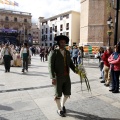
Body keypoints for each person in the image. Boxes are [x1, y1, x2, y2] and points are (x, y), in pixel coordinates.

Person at [48, 35, 78, 117]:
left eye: (64, 42)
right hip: (58, 77)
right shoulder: (54, 52)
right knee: (58, 94)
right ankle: (59, 109)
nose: (63, 43)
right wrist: (53, 77)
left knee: (67, 93)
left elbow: (71, 63)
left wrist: (77, 71)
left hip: (66, 76)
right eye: (61, 42)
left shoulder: (67, 52)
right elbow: (50, 66)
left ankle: (62, 105)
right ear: (58, 43)